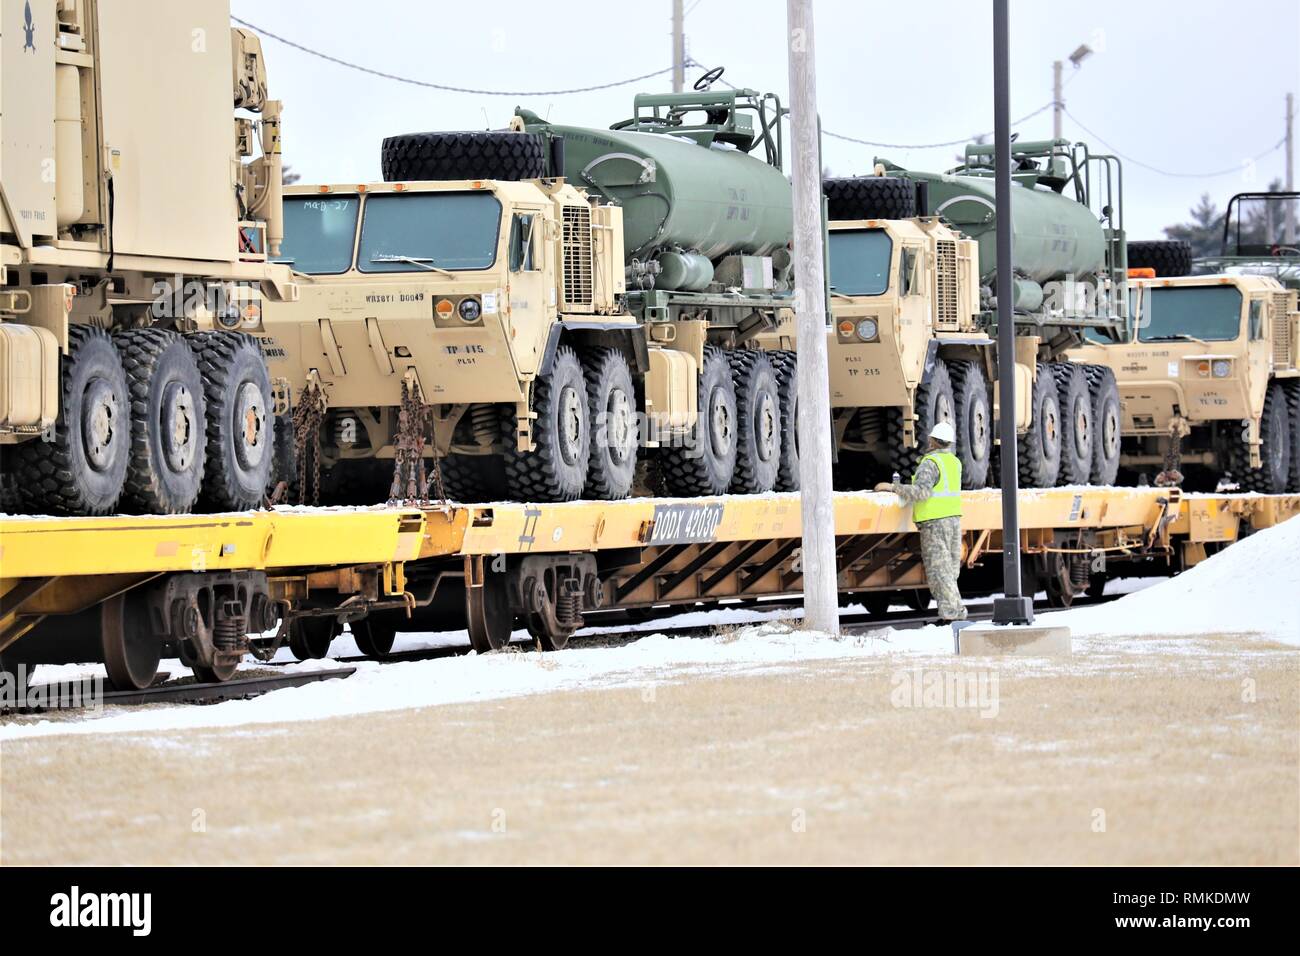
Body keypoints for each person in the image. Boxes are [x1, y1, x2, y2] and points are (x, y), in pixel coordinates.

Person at [888, 421, 966, 624]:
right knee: (950, 570)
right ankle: (957, 612)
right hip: (953, 521)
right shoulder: (954, 462)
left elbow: (922, 492)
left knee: (940, 572)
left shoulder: (930, 463)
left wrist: (895, 487)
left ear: (932, 440)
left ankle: (950, 616)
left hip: (935, 524)